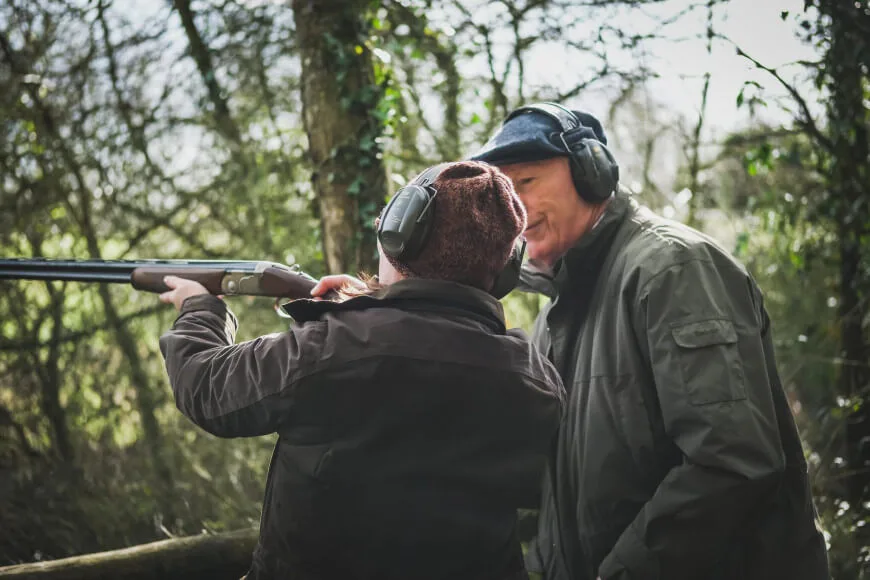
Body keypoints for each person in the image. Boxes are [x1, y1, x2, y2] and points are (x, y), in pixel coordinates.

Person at [466, 102, 830, 580]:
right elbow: (557, 483)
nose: (516, 208)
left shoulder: (673, 270)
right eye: (505, 192)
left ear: (592, 173)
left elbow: (732, 460)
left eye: (527, 183)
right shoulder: (555, 308)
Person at [157, 160, 565, 580]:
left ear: (401, 234)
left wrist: (200, 308)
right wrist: (369, 305)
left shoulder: (337, 347)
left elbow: (206, 385)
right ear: (506, 268)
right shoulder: (535, 379)